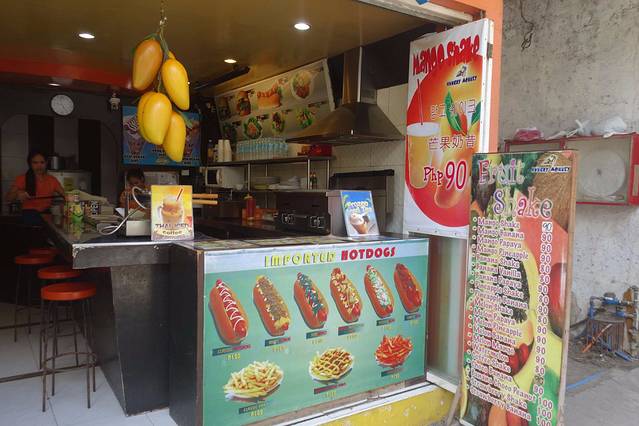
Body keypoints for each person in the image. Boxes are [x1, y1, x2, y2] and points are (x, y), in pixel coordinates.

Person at [6, 150, 65, 224]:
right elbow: (8, 198)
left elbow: (65, 194)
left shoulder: (52, 180)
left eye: (42, 162)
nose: (39, 166)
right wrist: (17, 194)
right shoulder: (22, 178)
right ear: (30, 164)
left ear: (46, 163)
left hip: (47, 213)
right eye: (35, 163)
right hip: (29, 214)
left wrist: (67, 200)